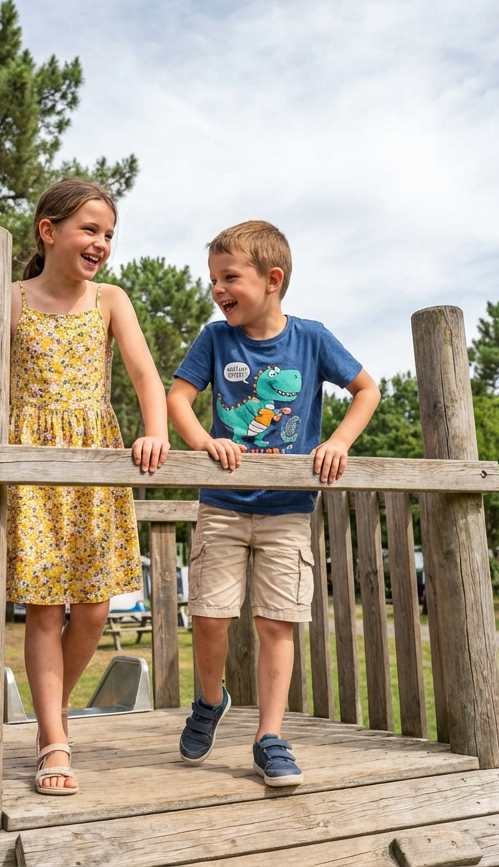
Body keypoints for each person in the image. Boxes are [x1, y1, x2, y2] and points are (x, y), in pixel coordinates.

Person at [0, 179, 169, 795]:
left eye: (109, 234)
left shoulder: (111, 300)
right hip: (30, 459)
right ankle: (54, 740)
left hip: (93, 459)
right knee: (45, 606)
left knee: (91, 609)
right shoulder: (10, 298)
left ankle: (46, 711)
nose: (101, 243)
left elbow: (145, 375)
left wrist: (155, 433)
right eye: (90, 229)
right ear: (48, 230)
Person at [167, 220, 380, 787]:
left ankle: (269, 736)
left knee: (275, 622)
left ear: (273, 279)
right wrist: (205, 441)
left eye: (229, 277)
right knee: (210, 616)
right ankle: (210, 701)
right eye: (213, 278)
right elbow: (178, 397)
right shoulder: (215, 339)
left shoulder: (310, 339)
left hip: (288, 509)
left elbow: (367, 389)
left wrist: (337, 441)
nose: (218, 289)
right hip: (223, 504)